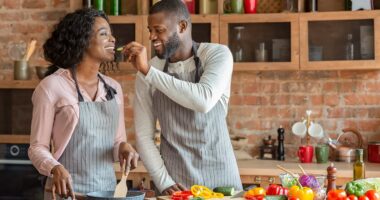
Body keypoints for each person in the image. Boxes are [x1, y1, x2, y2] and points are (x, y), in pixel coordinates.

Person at [124, 0, 242, 194]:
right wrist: (164, 182)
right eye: (150, 30)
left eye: (158, 30)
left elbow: (203, 100)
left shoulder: (217, 55)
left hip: (223, 181)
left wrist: (148, 71)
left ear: (182, 26)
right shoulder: (147, 71)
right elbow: (144, 136)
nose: (152, 36)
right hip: (176, 185)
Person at [28, 8, 139, 200]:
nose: (112, 39)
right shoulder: (51, 86)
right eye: (104, 34)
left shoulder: (113, 88)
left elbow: (116, 142)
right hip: (67, 194)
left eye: (111, 34)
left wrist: (123, 148)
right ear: (82, 40)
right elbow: (37, 148)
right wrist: (55, 168)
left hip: (107, 193)